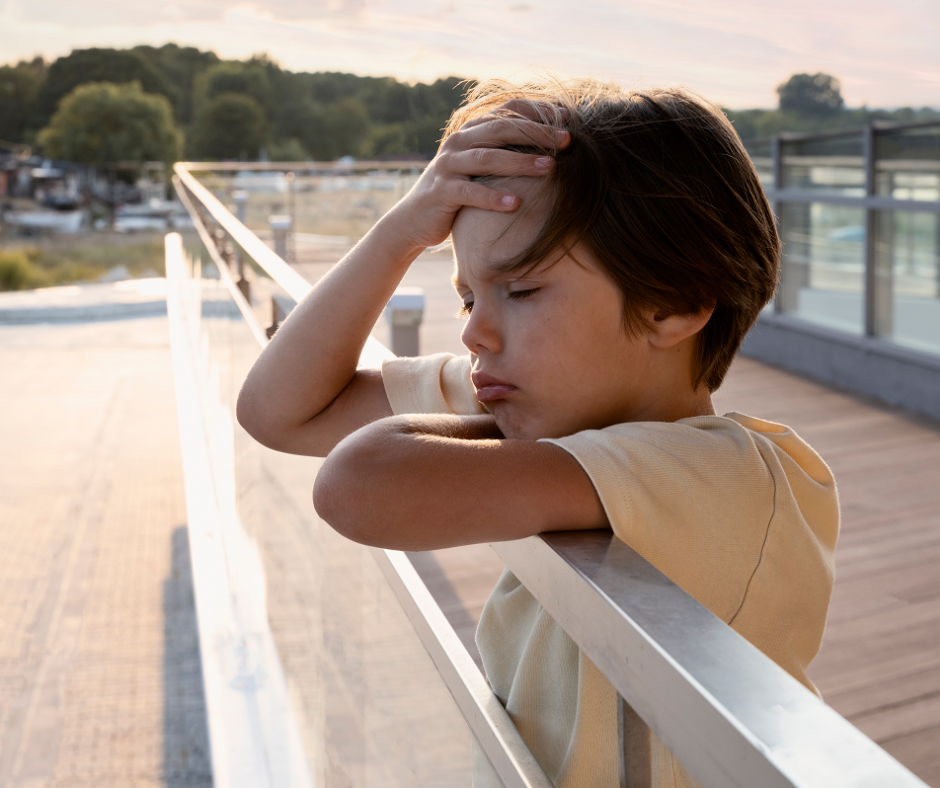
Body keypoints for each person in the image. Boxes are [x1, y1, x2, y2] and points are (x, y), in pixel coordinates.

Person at [236, 79, 839, 788]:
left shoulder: (735, 473)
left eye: (521, 290)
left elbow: (355, 483)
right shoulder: (541, 401)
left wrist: (502, 434)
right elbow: (279, 411)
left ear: (673, 303)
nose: (473, 331)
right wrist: (404, 226)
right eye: (468, 294)